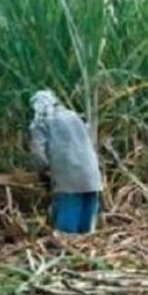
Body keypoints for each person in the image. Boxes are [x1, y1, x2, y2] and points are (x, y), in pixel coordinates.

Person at [28, 90, 103, 234]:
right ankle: (86, 243)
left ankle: (67, 244)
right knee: (88, 208)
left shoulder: (41, 122)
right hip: (91, 170)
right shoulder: (74, 116)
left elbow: (38, 152)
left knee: (69, 206)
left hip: (68, 174)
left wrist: (43, 171)